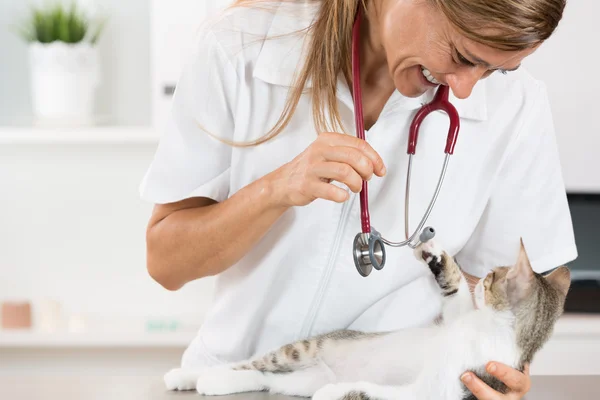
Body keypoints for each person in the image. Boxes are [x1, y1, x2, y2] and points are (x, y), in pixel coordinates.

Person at [140, 0, 577, 398]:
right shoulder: (245, 45)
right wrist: (276, 189)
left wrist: (501, 375)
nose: (465, 89)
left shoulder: (515, 108)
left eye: (495, 69)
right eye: (463, 56)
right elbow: (166, 262)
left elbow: (509, 307)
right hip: (235, 384)